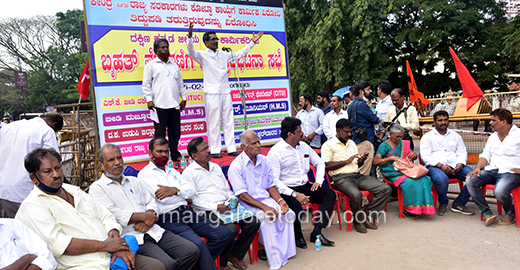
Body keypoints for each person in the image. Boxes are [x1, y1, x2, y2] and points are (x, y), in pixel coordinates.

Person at [15, 148, 155, 270]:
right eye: (47, 171)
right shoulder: (32, 206)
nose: (56, 174)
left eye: (57, 168)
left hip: (111, 254)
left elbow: (105, 215)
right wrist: (105, 246)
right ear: (34, 177)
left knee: (157, 266)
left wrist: (115, 243)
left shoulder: (73, 191)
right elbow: (59, 243)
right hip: (85, 265)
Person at [89, 144, 200, 270]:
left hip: (153, 229)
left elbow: (151, 202)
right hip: (132, 236)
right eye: (111, 160)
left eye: (119, 158)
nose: (118, 162)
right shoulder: (97, 188)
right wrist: (144, 216)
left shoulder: (134, 181)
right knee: (167, 264)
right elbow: (112, 214)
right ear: (100, 165)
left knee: (191, 251)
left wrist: (149, 219)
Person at [138, 137, 232, 270]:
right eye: (159, 151)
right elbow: (163, 199)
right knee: (198, 244)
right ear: (150, 153)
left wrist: (175, 191)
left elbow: (192, 191)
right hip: (169, 218)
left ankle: (197, 264)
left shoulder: (172, 171)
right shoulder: (145, 174)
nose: (164, 155)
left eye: (166, 151)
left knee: (223, 234)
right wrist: (182, 194)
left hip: (187, 213)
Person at [186, 23, 263, 158]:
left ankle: (231, 147)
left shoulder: (223, 54)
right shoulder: (203, 55)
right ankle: (215, 149)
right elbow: (191, 52)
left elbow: (239, 54)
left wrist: (252, 42)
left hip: (225, 91)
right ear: (206, 42)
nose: (216, 41)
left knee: (228, 120)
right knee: (214, 122)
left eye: (216, 39)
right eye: (213, 39)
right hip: (212, 93)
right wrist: (190, 37)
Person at [183, 137, 260, 270]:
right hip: (207, 210)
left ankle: (234, 254)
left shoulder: (215, 167)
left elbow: (226, 189)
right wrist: (216, 207)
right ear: (194, 156)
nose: (208, 151)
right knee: (230, 230)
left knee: (253, 222)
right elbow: (193, 200)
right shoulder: (188, 173)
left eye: (207, 147)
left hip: (226, 206)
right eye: (204, 150)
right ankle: (222, 264)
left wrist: (232, 199)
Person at [228, 130, 296, 270]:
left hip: (265, 199)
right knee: (268, 218)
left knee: (288, 213)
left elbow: (271, 186)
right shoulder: (236, 166)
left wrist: (281, 202)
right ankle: (275, 259)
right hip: (247, 204)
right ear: (243, 147)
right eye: (254, 143)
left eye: (258, 141)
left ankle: (285, 253)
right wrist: (265, 208)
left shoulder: (264, 160)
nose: (258, 145)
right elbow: (242, 195)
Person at [267, 117, 336, 249]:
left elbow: (319, 162)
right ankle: (297, 236)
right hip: (286, 189)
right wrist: (294, 194)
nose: (302, 133)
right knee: (296, 209)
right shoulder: (276, 152)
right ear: (290, 134)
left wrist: (318, 181)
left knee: (329, 194)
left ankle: (317, 232)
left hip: (304, 185)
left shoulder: (303, 146)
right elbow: (274, 180)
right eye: (299, 131)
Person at [321, 119, 391, 233]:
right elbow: (326, 165)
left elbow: (356, 163)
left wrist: (361, 161)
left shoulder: (351, 143)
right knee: (356, 194)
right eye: (346, 132)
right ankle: (357, 220)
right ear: (338, 131)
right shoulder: (328, 145)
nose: (349, 134)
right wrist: (345, 162)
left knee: (385, 189)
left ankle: (365, 215)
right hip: (340, 178)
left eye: (350, 132)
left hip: (356, 175)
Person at [0, 112, 63, 218]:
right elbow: (52, 163)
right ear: (54, 125)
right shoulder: (46, 130)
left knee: (17, 228)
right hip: (25, 192)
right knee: (33, 230)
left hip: (4, 191)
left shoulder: (10, 126)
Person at [466, 108, 520, 226]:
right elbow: (485, 155)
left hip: (511, 172)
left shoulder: (518, 135)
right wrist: (477, 168)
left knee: (499, 191)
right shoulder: (493, 137)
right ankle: (486, 213)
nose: (490, 123)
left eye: (493, 120)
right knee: (470, 180)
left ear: (503, 122)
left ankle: (511, 212)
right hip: (493, 169)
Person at [374, 123, 435, 219]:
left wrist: (413, 154)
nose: (400, 139)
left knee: (424, 179)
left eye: (401, 136)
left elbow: (411, 156)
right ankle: (409, 210)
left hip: (406, 169)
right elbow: (375, 161)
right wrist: (389, 159)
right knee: (410, 182)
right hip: (392, 172)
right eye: (397, 136)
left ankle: (422, 208)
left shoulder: (404, 143)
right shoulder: (384, 145)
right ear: (390, 134)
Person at [420, 110, 475, 216]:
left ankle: (458, 203)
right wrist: (441, 166)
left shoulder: (456, 136)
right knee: (441, 179)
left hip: (455, 165)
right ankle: (443, 201)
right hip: (435, 166)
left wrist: (460, 164)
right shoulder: (427, 137)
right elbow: (426, 157)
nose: (443, 122)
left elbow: (462, 152)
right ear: (434, 122)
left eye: (445, 120)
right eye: (440, 120)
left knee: (474, 177)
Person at [142, 38, 186, 161]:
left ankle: (175, 154)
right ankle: (160, 156)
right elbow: (146, 85)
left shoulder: (174, 65)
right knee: (160, 134)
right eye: (162, 47)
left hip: (174, 105)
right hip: (159, 105)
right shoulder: (150, 65)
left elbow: (180, 84)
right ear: (156, 50)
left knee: (175, 132)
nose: (165, 49)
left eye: (166, 47)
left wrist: (184, 98)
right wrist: (149, 99)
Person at [346, 82, 379, 175]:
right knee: (364, 170)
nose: (370, 91)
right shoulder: (361, 104)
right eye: (368, 89)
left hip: (356, 138)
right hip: (366, 140)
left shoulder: (351, 105)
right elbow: (375, 120)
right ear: (361, 91)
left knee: (358, 164)